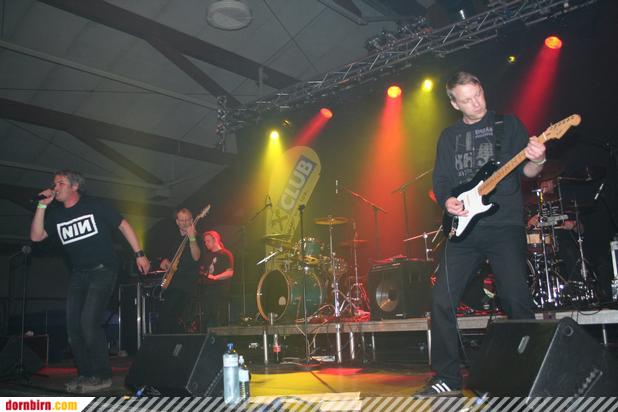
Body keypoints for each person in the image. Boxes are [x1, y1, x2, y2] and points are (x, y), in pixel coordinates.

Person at [416, 72, 547, 397]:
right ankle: (447, 376)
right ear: (454, 103)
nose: (476, 103)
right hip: (463, 230)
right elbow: (442, 180)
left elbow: (528, 171)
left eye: (478, 94)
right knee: (441, 300)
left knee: (515, 299)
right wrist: (447, 202)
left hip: (503, 226)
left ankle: (531, 374)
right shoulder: (449, 136)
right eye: (467, 99)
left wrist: (539, 158)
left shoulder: (508, 125)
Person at [30, 170, 150, 393]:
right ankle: (85, 374)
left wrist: (139, 254)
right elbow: (36, 237)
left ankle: (102, 375)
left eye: (61, 182)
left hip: (103, 270)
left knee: (88, 322)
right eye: (54, 183)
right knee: (73, 327)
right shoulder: (56, 215)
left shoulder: (94, 205)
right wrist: (41, 206)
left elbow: (123, 225)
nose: (55, 187)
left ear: (74, 186)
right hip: (79, 274)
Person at [153, 208, 201, 333]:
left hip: (186, 285)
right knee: (166, 318)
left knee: (170, 316)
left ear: (192, 220)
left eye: (187, 220)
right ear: (177, 222)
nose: (185, 223)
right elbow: (166, 259)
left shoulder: (197, 238)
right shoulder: (173, 239)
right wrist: (164, 262)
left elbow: (196, 257)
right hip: (172, 283)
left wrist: (192, 238)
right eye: (182, 220)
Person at [198, 231, 234, 327]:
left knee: (218, 319)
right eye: (205, 241)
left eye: (208, 241)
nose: (206, 243)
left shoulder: (225, 254)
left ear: (215, 240)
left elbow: (229, 273)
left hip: (219, 291)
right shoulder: (206, 256)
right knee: (206, 319)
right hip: (207, 292)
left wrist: (215, 277)